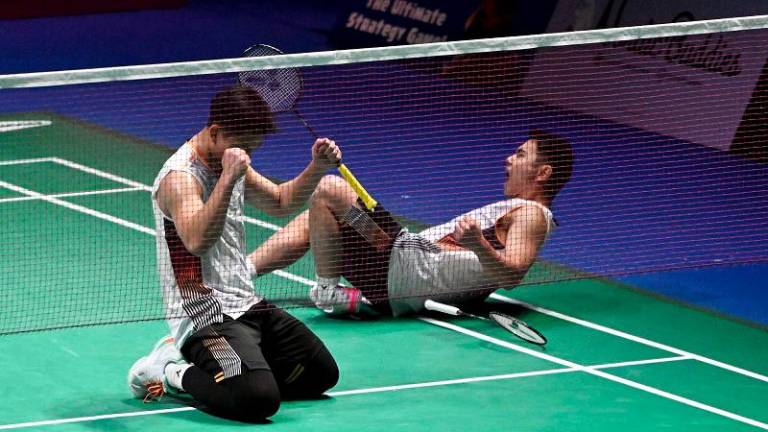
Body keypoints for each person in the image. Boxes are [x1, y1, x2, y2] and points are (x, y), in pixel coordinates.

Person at [127, 85, 341, 422]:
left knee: (319, 374)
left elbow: (280, 201)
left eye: (252, 148)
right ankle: (170, 370)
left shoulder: (230, 158)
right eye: (241, 146)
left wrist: (316, 167)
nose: (246, 155)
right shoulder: (180, 179)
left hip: (246, 304)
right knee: (257, 399)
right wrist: (228, 178)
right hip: (203, 316)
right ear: (214, 132)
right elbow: (197, 241)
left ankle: (242, 369)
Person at [252, 129, 574, 317]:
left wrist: (478, 243)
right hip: (395, 258)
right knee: (323, 216)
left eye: (520, 155)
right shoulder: (517, 210)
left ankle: (326, 291)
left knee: (329, 189)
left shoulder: (531, 215)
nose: (508, 159)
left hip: (405, 266)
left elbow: (513, 276)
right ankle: (239, 273)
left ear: (542, 173)